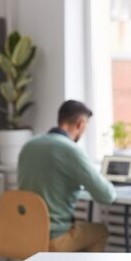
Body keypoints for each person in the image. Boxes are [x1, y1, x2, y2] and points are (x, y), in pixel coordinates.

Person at [18, 100, 116, 252]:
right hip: (54, 238)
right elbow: (106, 196)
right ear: (80, 124)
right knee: (100, 232)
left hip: (27, 235)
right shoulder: (70, 149)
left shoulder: (30, 145)